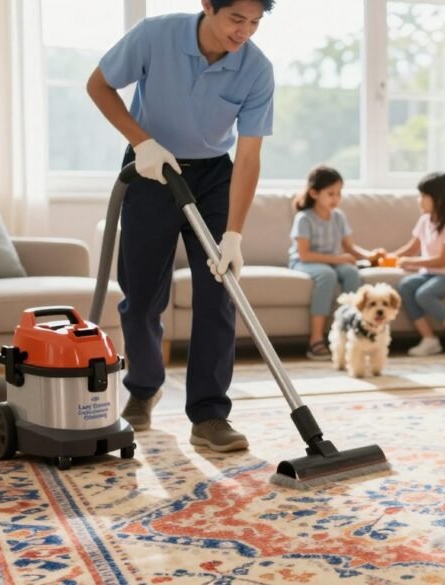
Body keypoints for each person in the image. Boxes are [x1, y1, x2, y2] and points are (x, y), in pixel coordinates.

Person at [87, 0, 275, 452]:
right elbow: (98, 86)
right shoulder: (155, 36)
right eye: (236, 19)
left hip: (213, 177)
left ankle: (210, 414)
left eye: (254, 23)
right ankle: (144, 386)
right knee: (142, 296)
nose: (244, 32)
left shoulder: (256, 69)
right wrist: (142, 143)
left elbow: (248, 157)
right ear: (208, 6)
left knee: (219, 293)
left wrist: (233, 235)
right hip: (150, 168)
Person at [288, 165, 383, 360]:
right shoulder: (304, 218)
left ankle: (350, 332)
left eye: (339, 193)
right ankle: (316, 340)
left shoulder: (338, 217)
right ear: (314, 193)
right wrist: (339, 259)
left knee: (351, 273)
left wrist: (370, 256)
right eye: (330, 194)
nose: (336, 199)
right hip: (305, 262)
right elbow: (305, 255)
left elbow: (350, 248)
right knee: (327, 276)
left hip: (332, 261)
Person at [392, 172, 445, 357]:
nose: (419, 200)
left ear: (439, 199)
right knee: (405, 287)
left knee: (425, 294)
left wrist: (411, 262)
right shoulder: (424, 220)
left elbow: (443, 260)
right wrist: (389, 258)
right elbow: (411, 248)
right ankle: (429, 339)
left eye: (423, 196)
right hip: (429, 272)